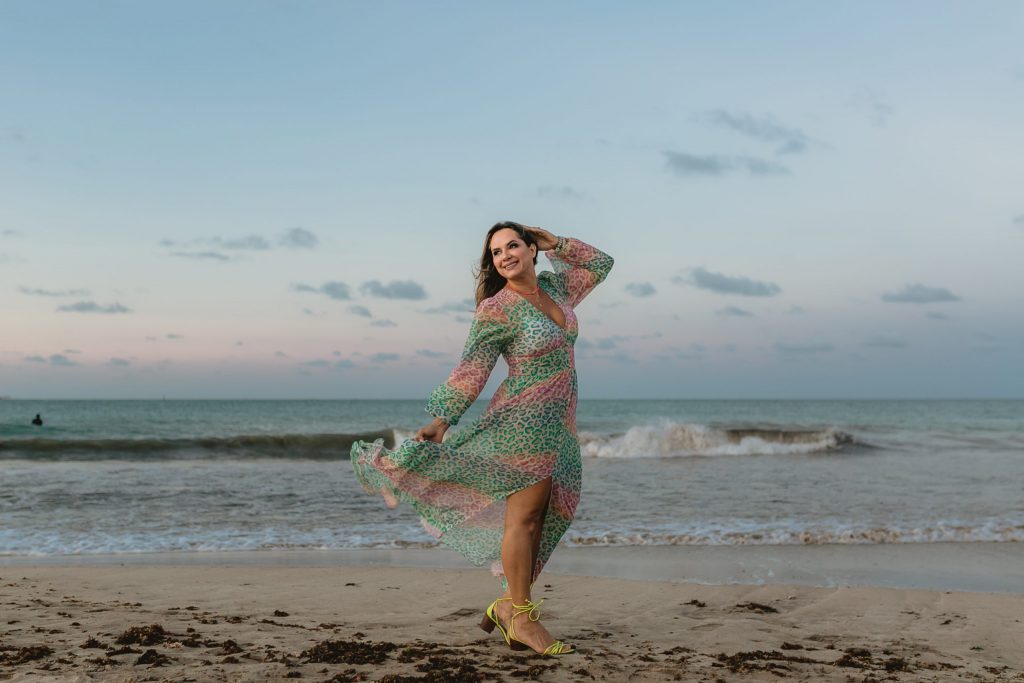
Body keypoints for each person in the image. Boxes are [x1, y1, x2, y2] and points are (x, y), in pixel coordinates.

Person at [351, 221, 613, 656]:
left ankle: (509, 608)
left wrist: (556, 242)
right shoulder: (497, 308)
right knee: (523, 520)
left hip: (559, 425)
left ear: (531, 249)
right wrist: (443, 419)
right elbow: (472, 367)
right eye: (496, 252)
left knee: (542, 520)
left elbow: (600, 263)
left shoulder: (557, 289)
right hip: (522, 423)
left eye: (513, 245)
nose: (505, 256)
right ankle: (523, 619)